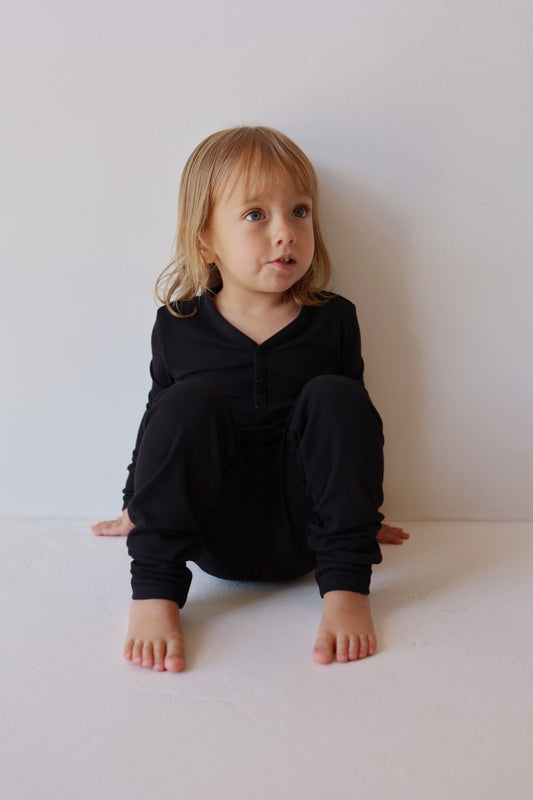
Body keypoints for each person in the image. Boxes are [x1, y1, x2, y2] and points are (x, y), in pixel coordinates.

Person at [92, 125, 409, 673]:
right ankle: (155, 596)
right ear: (205, 240)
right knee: (188, 402)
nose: (284, 232)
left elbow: (354, 429)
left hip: (308, 533)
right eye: (256, 215)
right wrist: (133, 502)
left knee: (337, 396)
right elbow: (158, 421)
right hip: (213, 529)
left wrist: (356, 512)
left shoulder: (333, 320)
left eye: (300, 212)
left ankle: (347, 594)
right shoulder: (178, 325)